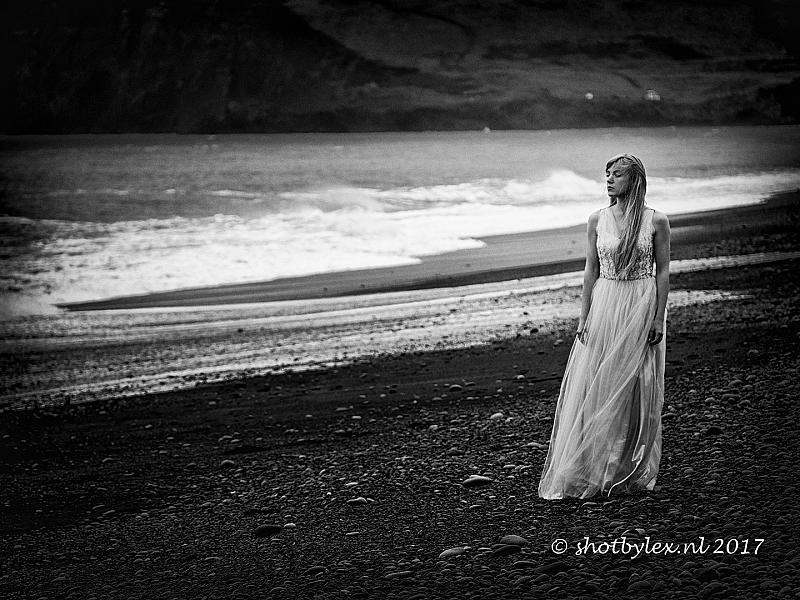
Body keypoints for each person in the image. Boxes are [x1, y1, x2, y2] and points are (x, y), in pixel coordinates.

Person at [538, 154, 670, 499]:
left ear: (634, 180)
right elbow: (591, 270)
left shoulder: (656, 220)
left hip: (641, 302)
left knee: (638, 383)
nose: (609, 180)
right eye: (607, 175)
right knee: (599, 380)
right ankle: (595, 466)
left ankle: (627, 469)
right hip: (606, 303)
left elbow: (663, 271)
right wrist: (584, 317)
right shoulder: (597, 219)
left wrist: (658, 317)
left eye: (617, 175)